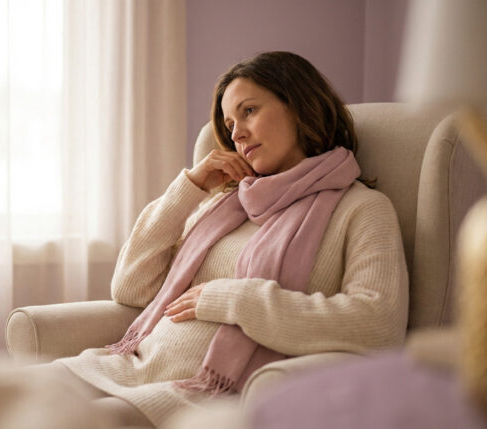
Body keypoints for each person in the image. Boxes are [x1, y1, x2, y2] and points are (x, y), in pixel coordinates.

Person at [21, 51, 409, 428]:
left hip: (194, 395)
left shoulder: (362, 209)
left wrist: (230, 298)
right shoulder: (227, 202)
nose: (236, 133)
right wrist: (190, 188)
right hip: (125, 370)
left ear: (299, 106)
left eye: (249, 111)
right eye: (228, 124)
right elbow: (131, 286)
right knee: (4, 393)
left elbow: (378, 324)